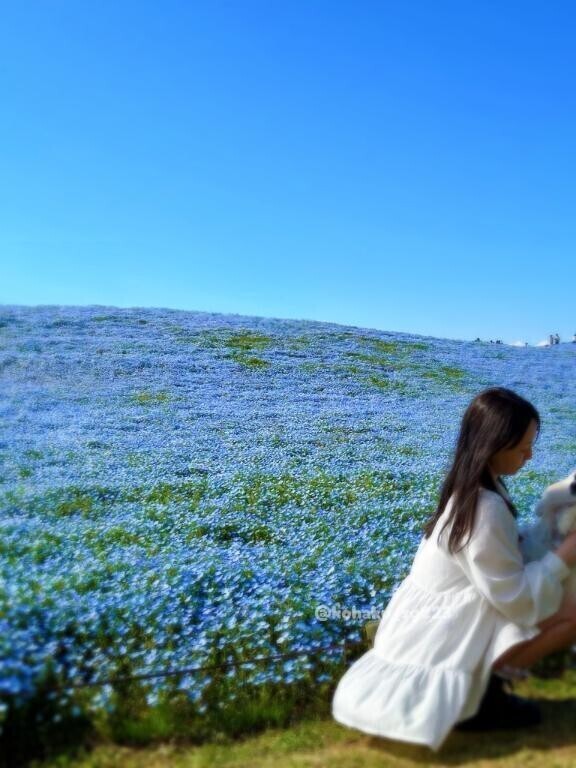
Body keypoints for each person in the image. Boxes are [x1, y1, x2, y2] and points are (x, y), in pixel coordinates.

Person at [331, 387, 576, 752]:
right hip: (445, 631)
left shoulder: (472, 489)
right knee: (572, 614)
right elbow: (517, 598)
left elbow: (501, 560)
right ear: (494, 445)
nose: (530, 455)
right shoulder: (486, 507)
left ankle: (486, 689)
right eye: (522, 447)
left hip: (432, 620)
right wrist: (565, 554)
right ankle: (486, 695)